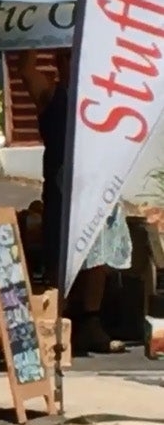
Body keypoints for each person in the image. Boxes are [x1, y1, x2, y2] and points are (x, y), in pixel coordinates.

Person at [14, 48, 129, 355]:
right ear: (58, 62)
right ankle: (55, 323)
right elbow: (25, 68)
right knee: (61, 254)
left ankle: (90, 324)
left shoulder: (104, 96)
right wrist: (36, 27)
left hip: (99, 187)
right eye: (67, 56)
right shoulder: (53, 96)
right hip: (64, 191)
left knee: (99, 253)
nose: (75, 62)